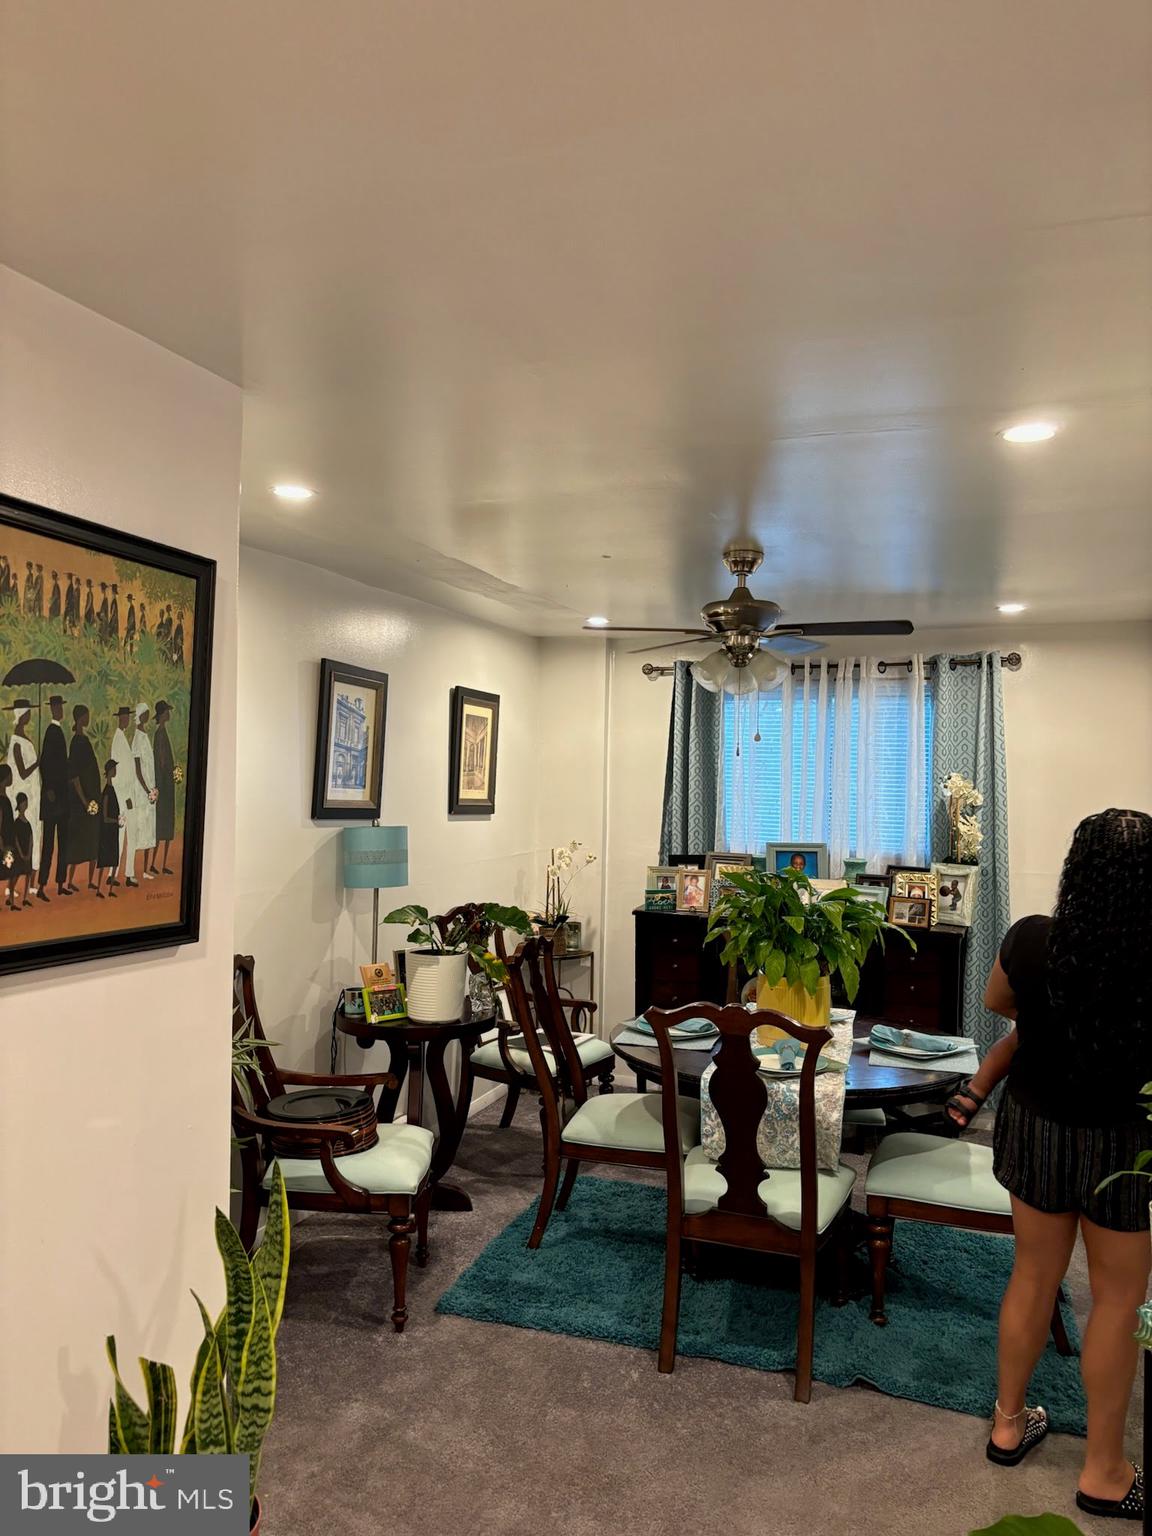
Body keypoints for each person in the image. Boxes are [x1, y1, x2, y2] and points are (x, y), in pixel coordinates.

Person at [948, 810, 1152, 1520]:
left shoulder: (1033, 939)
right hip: (1122, 1144)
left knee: (1032, 1274)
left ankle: (1008, 1424)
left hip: (1036, 1128)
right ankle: (1103, 1470)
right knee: (1117, 1300)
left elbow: (999, 1003)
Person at [6, 699, 41, 895]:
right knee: (21, 839)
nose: (30, 716)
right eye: (27, 713)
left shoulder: (23, 739)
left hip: (32, 796)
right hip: (23, 797)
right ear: (21, 715)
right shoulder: (17, 743)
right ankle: (11, 886)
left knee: (34, 837)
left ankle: (30, 883)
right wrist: (38, 762)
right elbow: (23, 772)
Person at [38, 693, 70, 900]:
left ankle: (60, 883)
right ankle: (41, 886)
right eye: (56, 707)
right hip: (52, 799)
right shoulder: (51, 731)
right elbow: (44, 763)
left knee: (63, 843)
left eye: (61, 707)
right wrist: (48, 787)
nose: (59, 710)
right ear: (52, 709)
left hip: (63, 798)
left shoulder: (58, 731)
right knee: (49, 844)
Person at [66, 705, 101, 892]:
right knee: (77, 842)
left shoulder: (84, 740)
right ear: (80, 718)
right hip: (82, 802)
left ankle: (90, 880)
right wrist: (84, 800)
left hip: (92, 797)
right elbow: (74, 776)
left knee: (93, 840)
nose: (88, 718)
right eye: (86, 716)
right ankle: (70, 880)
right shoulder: (76, 742)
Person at [127, 702, 156, 884]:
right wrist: (147, 791)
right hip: (142, 790)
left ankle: (145, 870)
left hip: (150, 789)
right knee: (139, 830)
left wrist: (152, 790)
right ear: (141, 716)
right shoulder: (137, 738)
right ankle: (134, 870)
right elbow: (137, 769)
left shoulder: (145, 736)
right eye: (145, 713)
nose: (147, 716)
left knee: (149, 830)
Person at [108, 706, 135, 886]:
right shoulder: (118, 740)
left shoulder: (123, 738)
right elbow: (116, 773)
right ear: (120, 719)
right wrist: (125, 797)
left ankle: (128, 873)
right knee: (120, 836)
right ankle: (113, 874)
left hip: (128, 795)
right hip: (123, 797)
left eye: (128, 717)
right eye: (124, 717)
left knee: (129, 836)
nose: (126, 720)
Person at [150, 699, 176, 876]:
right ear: (161, 714)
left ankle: (162, 863)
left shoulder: (162, 732)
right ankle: (153, 862)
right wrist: (169, 773)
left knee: (166, 825)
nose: (169, 713)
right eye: (166, 711)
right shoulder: (159, 734)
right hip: (163, 785)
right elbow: (161, 760)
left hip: (166, 783)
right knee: (161, 825)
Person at [96, 761, 122, 899]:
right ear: (110, 771)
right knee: (104, 859)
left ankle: (110, 889)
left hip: (113, 830)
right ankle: (100, 888)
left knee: (113, 858)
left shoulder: (111, 789)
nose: (115, 770)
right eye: (114, 768)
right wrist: (116, 821)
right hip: (107, 831)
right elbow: (105, 817)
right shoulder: (106, 791)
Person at [8, 794, 34, 908]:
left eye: (26, 802)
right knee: (15, 875)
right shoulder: (16, 823)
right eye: (24, 802)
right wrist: (22, 853)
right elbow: (16, 840)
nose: (25, 804)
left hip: (27, 853)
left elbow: (30, 839)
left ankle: (25, 898)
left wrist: (28, 852)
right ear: (19, 804)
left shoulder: (28, 823)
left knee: (28, 874)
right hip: (19, 853)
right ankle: (11, 900)